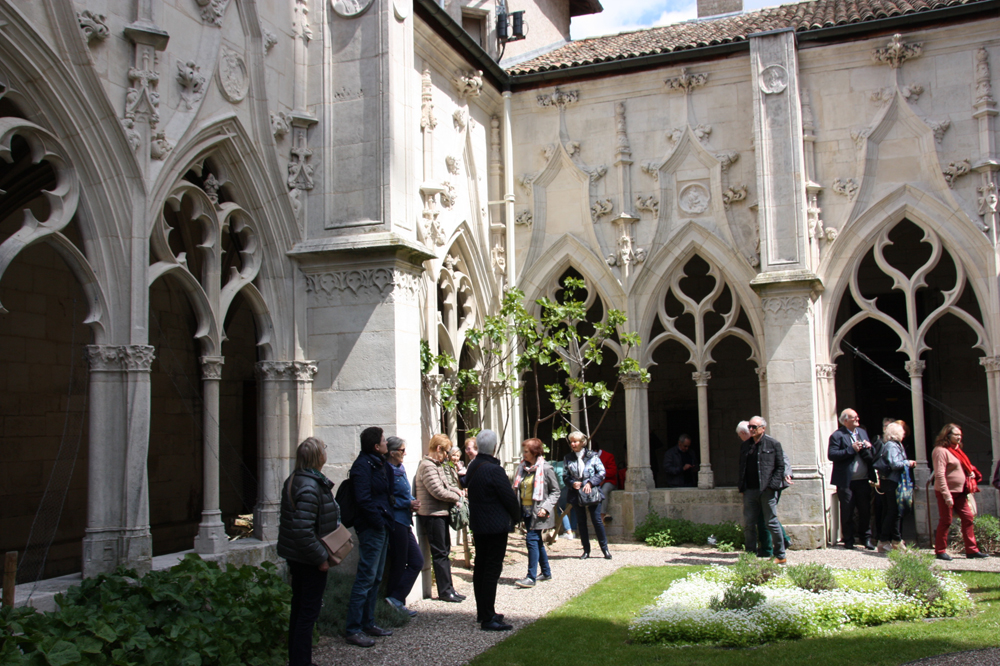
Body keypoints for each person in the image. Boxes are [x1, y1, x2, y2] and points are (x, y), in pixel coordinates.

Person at [278, 438, 340, 666]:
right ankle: (301, 661)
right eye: (324, 449)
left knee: (300, 609)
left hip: (299, 556)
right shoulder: (309, 486)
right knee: (307, 613)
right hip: (308, 559)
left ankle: (298, 659)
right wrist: (321, 558)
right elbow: (302, 530)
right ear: (318, 457)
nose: (326, 453)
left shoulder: (298, 479)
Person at [345, 427, 395, 648]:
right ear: (376, 446)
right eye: (383, 441)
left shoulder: (377, 463)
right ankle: (353, 628)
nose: (387, 444)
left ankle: (368, 622)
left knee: (375, 577)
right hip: (371, 528)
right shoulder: (363, 466)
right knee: (366, 577)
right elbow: (363, 499)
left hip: (380, 526)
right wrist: (378, 521)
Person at [467, 428, 520, 631]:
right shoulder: (494, 470)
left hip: (479, 525)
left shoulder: (474, 466)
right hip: (495, 527)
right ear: (495, 447)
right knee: (491, 570)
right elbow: (508, 498)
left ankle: (484, 612)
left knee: (481, 568)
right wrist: (517, 517)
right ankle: (488, 617)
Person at [415, 434, 465, 602]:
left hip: (440, 513)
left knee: (445, 551)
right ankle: (444, 591)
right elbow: (437, 491)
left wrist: (457, 491)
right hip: (432, 515)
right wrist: (456, 497)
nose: (447, 456)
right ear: (438, 449)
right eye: (446, 452)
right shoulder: (427, 466)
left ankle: (449, 588)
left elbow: (447, 485)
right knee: (440, 553)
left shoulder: (437, 465)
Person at [932, 424, 988, 560]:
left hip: (961, 492)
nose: (959, 437)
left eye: (960, 435)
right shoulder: (940, 451)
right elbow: (939, 474)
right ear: (947, 435)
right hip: (947, 491)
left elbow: (962, 466)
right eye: (956, 435)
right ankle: (940, 550)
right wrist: (946, 495)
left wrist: (970, 472)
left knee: (968, 517)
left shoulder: (957, 450)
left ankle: (972, 550)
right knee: (946, 520)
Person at [738, 416, 787, 564]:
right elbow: (742, 467)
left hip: (767, 490)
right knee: (749, 523)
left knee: (771, 522)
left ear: (763, 428)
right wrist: (742, 486)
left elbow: (780, 467)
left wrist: (772, 486)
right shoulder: (745, 446)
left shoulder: (773, 444)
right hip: (750, 490)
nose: (751, 429)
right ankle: (750, 554)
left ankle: (780, 555)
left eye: (754, 427)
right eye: (750, 427)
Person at [512, 438, 560, 587]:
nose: (524, 454)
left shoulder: (546, 468)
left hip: (538, 512)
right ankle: (546, 572)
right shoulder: (522, 468)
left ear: (534, 452)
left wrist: (545, 507)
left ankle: (531, 577)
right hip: (525, 510)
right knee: (537, 541)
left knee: (531, 540)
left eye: (526, 451)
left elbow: (556, 491)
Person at [384, 436, 423, 617]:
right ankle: (394, 602)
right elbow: (388, 500)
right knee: (399, 563)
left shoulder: (400, 468)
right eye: (402, 450)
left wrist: (412, 501)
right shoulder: (387, 471)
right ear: (392, 453)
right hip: (396, 522)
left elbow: (404, 493)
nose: (405, 453)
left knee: (416, 561)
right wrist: (407, 504)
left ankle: (396, 599)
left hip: (405, 521)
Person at [828, 408, 876, 550]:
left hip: (863, 480)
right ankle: (848, 540)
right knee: (847, 511)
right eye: (854, 417)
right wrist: (851, 449)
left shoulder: (862, 432)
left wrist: (869, 447)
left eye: (857, 416)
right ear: (845, 420)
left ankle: (866, 538)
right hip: (846, 482)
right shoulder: (837, 436)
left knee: (865, 510)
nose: (857, 419)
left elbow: (871, 454)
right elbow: (832, 455)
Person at [564, 431, 611, 560]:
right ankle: (586, 550)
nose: (573, 444)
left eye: (575, 442)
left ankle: (605, 549)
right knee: (581, 521)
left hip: (592, 492)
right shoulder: (568, 457)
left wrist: (590, 483)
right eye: (571, 442)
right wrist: (572, 483)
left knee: (596, 520)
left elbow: (601, 472)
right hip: (576, 493)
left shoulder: (592, 456)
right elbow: (565, 476)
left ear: (582, 442)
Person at [874, 421, 916, 553]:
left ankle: (892, 540)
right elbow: (894, 464)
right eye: (902, 431)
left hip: (893, 482)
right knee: (893, 512)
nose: (904, 434)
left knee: (893, 511)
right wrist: (908, 463)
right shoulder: (892, 446)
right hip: (891, 482)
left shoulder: (896, 445)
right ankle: (889, 541)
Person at [870, 417, 896, 544]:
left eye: (889, 426)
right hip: (883, 480)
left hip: (888, 480)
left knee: (888, 509)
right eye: (885, 426)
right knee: (881, 508)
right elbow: (877, 462)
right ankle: (880, 536)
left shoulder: (893, 443)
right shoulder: (881, 442)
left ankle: (889, 536)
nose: (886, 429)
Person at [596, 447, 618, 523]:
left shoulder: (608, 456)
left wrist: (601, 475)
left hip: (609, 481)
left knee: (604, 490)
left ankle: (602, 514)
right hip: (595, 481)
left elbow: (613, 471)